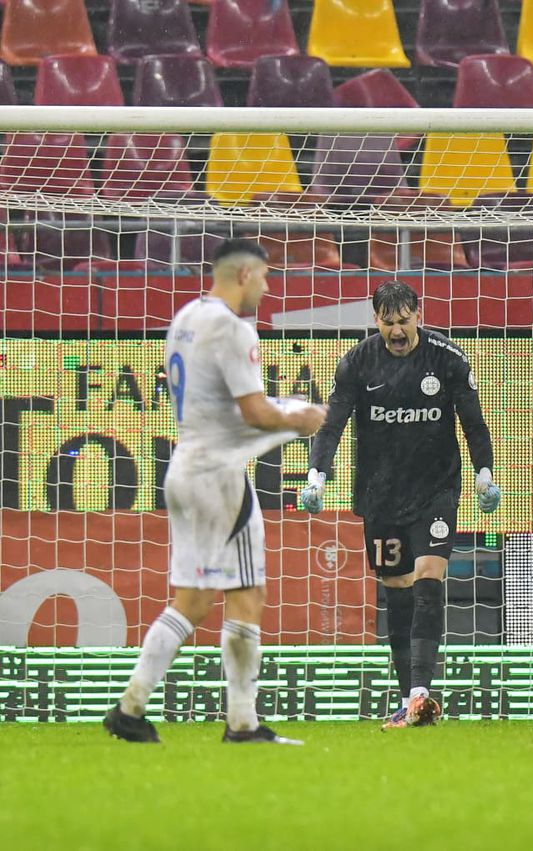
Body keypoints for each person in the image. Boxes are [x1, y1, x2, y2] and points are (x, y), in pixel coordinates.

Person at [104, 238, 327, 745]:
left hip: (185, 467)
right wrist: (302, 418)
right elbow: (254, 412)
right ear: (244, 274)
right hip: (218, 476)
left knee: (216, 596)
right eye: (265, 278)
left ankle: (155, 711)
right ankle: (216, 720)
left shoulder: (185, 318)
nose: (267, 289)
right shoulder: (232, 327)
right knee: (226, 595)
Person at [300, 281, 499, 729]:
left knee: (428, 577)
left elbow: (473, 423)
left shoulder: (447, 359)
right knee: (398, 592)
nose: (396, 331)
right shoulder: (356, 363)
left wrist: (484, 473)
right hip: (381, 496)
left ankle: (422, 693)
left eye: (404, 321)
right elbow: (332, 425)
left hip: (436, 490)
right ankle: (410, 700)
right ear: (376, 320)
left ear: (418, 315)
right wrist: (316, 475)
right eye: (387, 322)